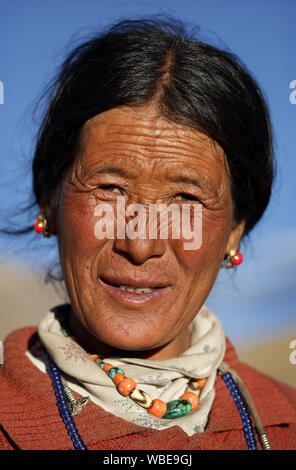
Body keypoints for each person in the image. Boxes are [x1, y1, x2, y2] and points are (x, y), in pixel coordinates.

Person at [0, 17, 295, 451]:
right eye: (110, 189)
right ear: (49, 203)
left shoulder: (283, 423)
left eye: (186, 200)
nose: (140, 245)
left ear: (234, 232)